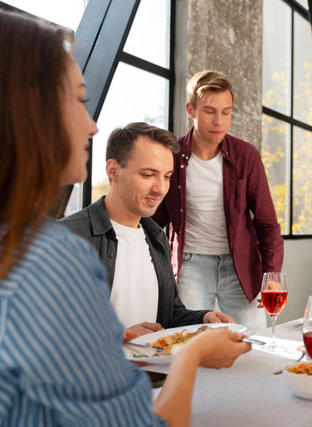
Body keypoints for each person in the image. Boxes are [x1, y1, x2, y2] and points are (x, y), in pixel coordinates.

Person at [0, 9, 250, 426]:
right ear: (23, 113)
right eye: (75, 100)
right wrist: (195, 353)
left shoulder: (155, 237)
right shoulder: (56, 251)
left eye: (166, 176)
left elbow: (164, 316)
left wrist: (198, 322)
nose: (90, 125)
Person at [60, 122, 235, 336]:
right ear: (113, 170)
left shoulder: (156, 238)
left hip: (150, 369)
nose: (160, 189)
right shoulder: (67, 238)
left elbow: (169, 315)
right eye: (148, 175)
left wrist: (204, 318)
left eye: (167, 177)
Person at [154, 70, 283, 330]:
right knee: (189, 338)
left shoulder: (246, 156)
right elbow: (156, 220)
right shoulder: (173, 156)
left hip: (241, 267)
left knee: (252, 342)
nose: (219, 121)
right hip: (190, 265)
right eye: (210, 111)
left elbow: (267, 222)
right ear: (191, 110)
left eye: (226, 112)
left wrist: (272, 275)